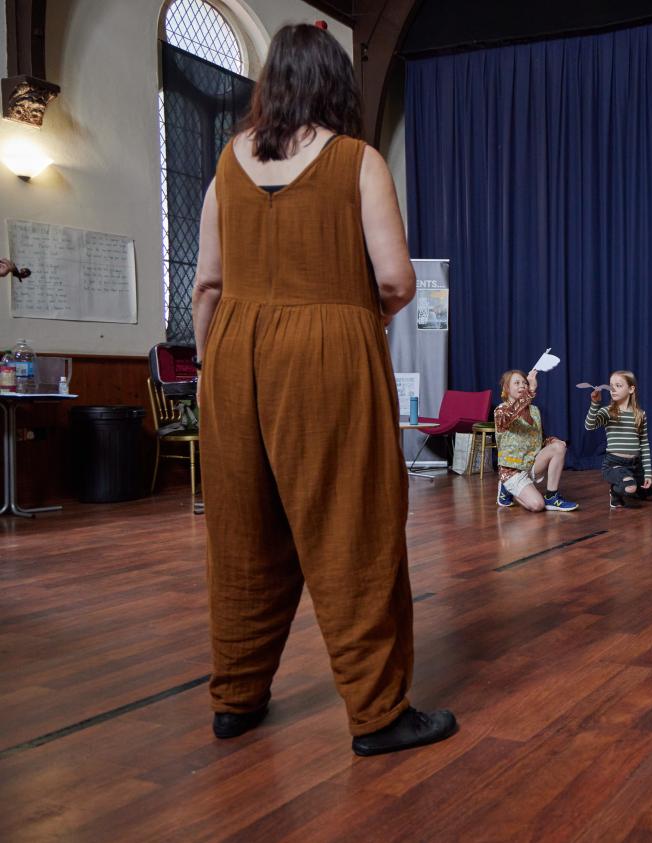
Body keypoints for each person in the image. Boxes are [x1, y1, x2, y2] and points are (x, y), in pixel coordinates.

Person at [192, 22, 455, 757]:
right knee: (353, 523)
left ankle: (236, 698)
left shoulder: (226, 163)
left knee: (243, 532)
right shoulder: (357, 160)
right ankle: (376, 713)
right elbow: (398, 278)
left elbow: (207, 282)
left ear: (271, 84)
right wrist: (352, 313)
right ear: (335, 85)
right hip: (330, 349)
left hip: (234, 353)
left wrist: (216, 363)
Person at [493, 368, 578, 511]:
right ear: (506, 388)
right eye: (517, 383)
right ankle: (506, 485)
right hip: (512, 470)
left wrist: (554, 442)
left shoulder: (534, 410)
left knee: (559, 447)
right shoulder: (501, 411)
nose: (522, 386)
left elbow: (539, 438)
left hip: (530, 464)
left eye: (524, 383)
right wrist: (530, 391)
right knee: (537, 506)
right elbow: (511, 416)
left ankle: (552, 497)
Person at [585, 371, 652, 508]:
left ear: (631, 389)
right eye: (611, 386)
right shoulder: (608, 411)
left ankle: (629, 483)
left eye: (618, 385)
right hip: (614, 463)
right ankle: (615, 492)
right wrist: (595, 403)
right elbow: (589, 425)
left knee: (645, 493)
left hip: (635, 464)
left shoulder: (640, 414)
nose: (613, 389)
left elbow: (644, 445)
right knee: (630, 488)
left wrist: (648, 473)